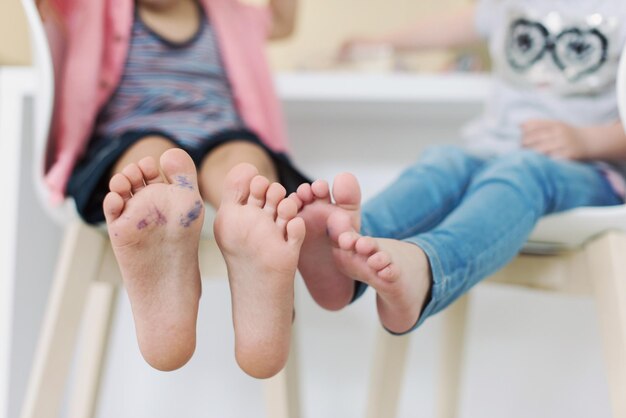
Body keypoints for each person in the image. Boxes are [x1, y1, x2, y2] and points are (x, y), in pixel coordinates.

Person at [295, 0, 626, 334]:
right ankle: (345, 244)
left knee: (521, 170)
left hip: (589, 171)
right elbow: (454, 26)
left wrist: (587, 141)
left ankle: (427, 268)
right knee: (442, 162)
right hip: (491, 154)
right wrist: (382, 42)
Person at [40, 0, 308, 378]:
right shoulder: (92, 8)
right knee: (150, 164)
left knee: (245, 167)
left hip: (221, 137)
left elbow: (282, 21)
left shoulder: (228, 14)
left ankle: (251, 240)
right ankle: (165, 247)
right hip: (135, 136)